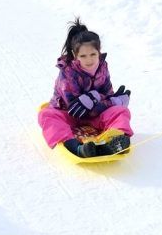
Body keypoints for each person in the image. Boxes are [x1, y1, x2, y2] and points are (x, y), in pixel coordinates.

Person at [38, 19, 133, 157]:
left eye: (93, 54)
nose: (89, 60)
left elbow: (107, 92)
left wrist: (112, 101)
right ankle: (77, 148)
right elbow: (75, 109)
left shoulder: (102, 67)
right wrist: (104, 101)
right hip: (69, 116)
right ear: (75, 55)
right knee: (46, 115)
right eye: (83, 56)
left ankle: (115, 141)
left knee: (121, 111)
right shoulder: (68, 72)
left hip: (94, 116)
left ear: (99, 52)